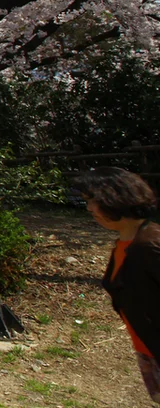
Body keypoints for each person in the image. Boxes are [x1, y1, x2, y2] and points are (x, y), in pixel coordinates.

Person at [73, 168, 160, 403]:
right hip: (147, 347)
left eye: (93, 201)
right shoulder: (127, 242)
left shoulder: (150, 245)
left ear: (115, 199)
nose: (90, 209)